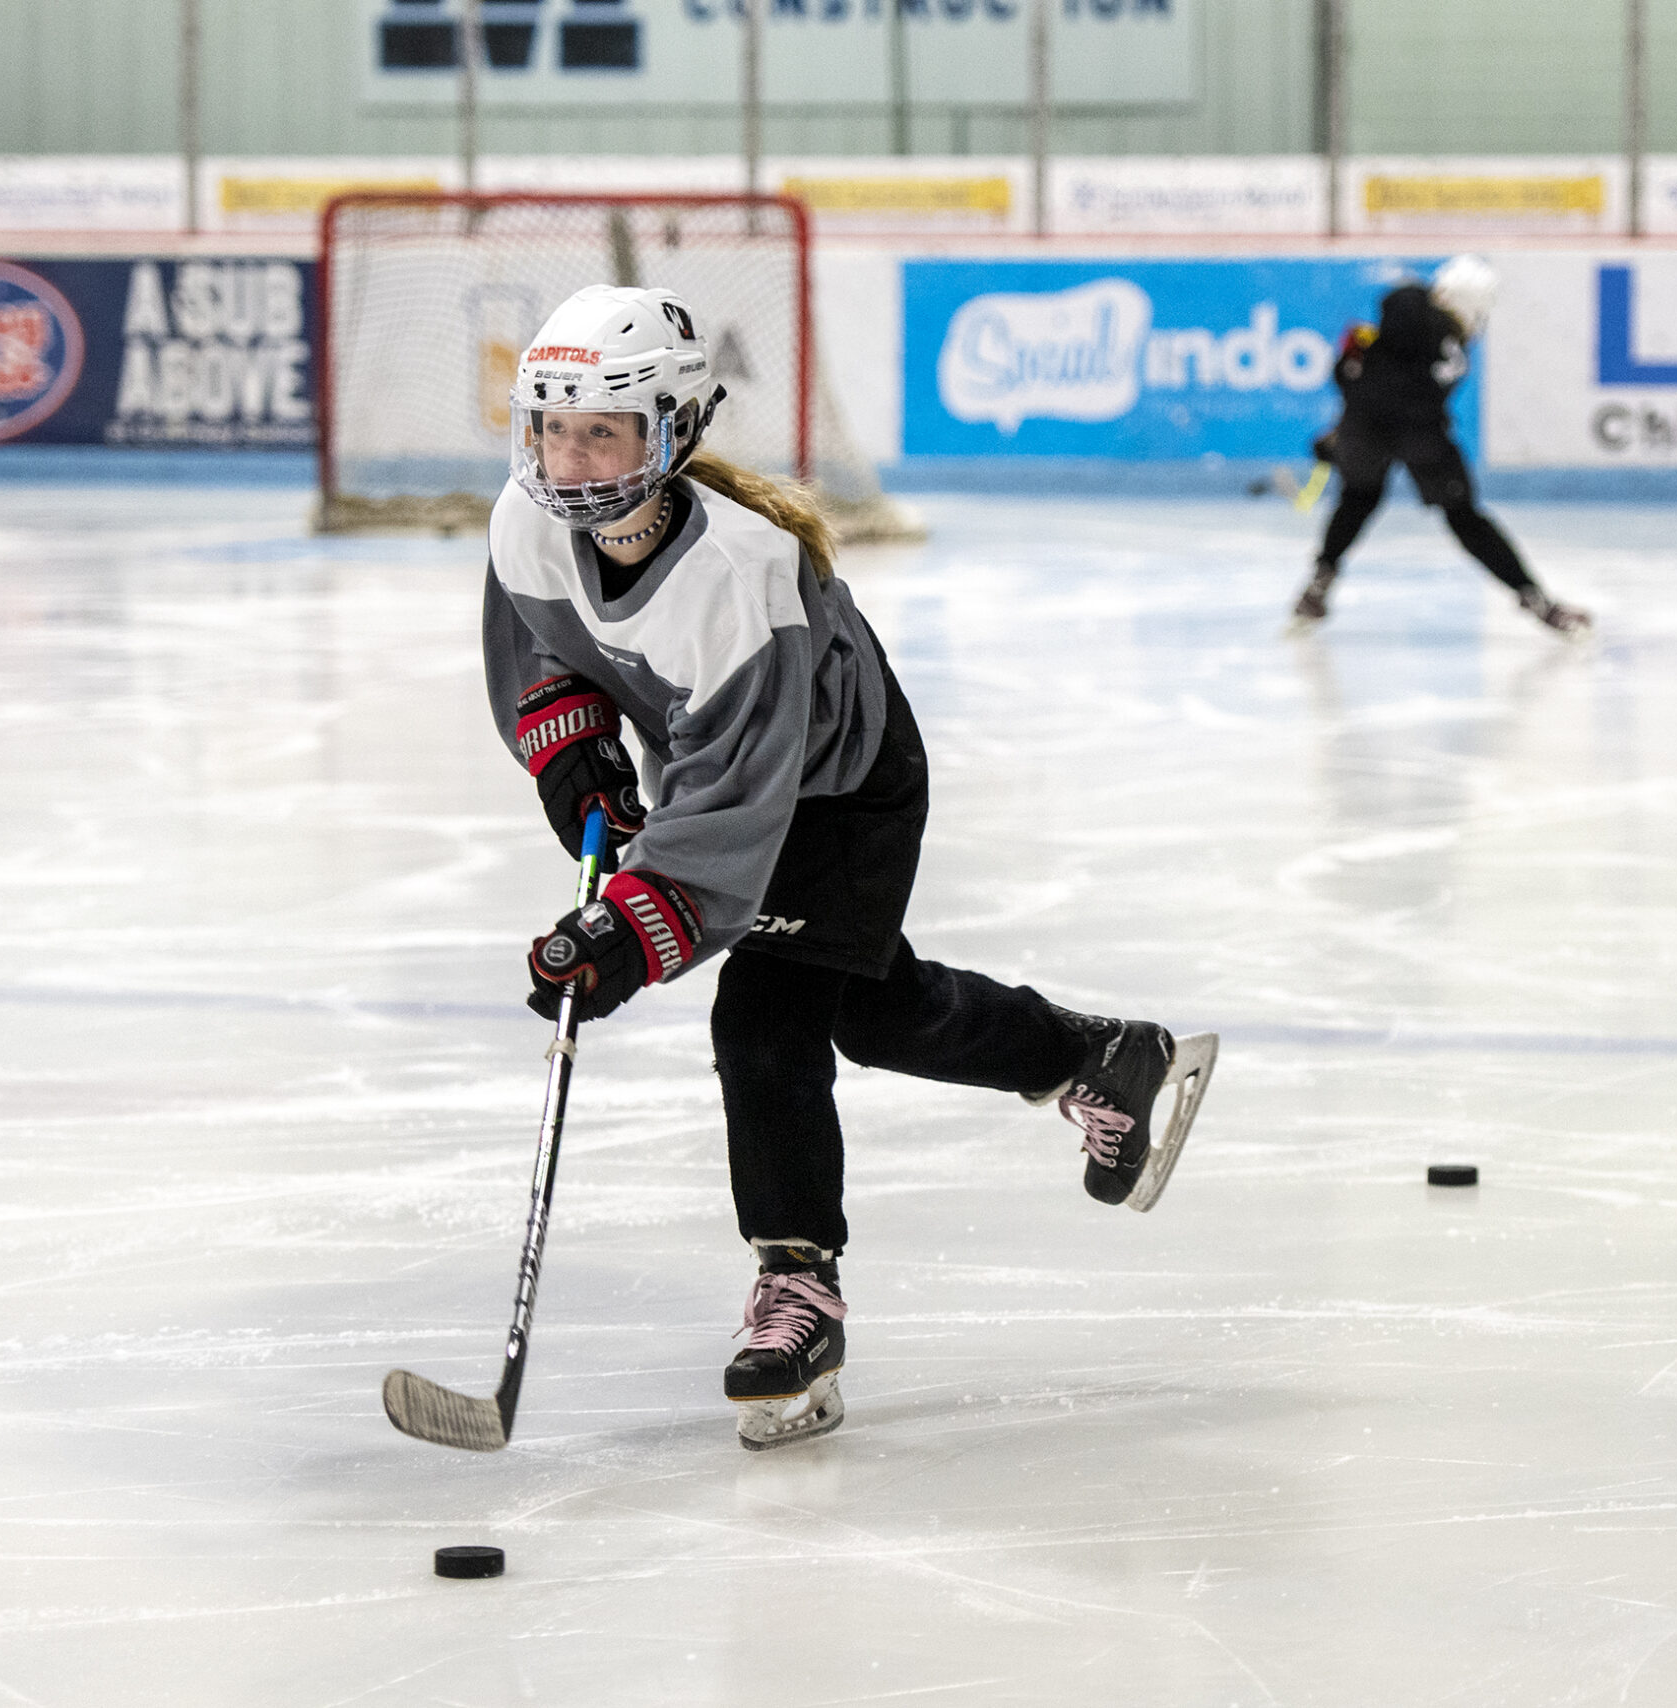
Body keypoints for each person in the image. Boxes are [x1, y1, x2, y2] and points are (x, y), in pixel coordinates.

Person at [484, 285, 1217, 1452]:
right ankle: (1097, 1054)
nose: (569, 459)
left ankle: (798, 1293)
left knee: (766, 1019)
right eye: (550, 427)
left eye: (602, 430)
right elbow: (545, 658)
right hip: (732, 774)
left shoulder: (745, 570)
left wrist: (623, 934)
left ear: (672, 429)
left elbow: (737, 806)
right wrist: (574, 761)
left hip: (839, 786)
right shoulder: (523, 526)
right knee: (868, 1009)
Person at [1293, 256, 1589, 635]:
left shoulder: (1412, 321)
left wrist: (1343, 433)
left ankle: (1319, 582)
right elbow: (1391, 362)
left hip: (1372, 429)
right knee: (1465, 518)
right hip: (1422, 437)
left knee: (1358, 499)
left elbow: (1362, 372)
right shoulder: (1445, 339)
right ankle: (1535, 598)